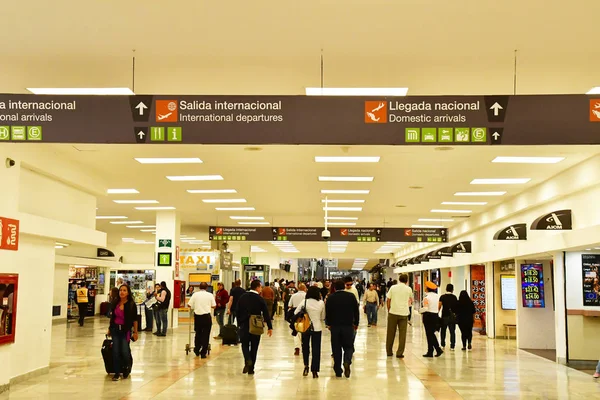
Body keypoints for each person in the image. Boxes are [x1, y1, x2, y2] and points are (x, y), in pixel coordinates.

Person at [236, 280, 273, 375]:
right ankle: (251, 368)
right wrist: (269, 327)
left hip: (244, 324)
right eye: (260, 287)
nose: (261, 289)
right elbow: (266, 313)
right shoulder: (260, 299)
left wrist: (239, 323)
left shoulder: (242, 297)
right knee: (254, 346)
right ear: (257, 287)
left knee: (244, 344)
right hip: (256, 325)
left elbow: (237, 310)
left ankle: (247, 360)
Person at [326, 280, 359, 378]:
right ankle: (347, 361)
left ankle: (337, 369)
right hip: (348, 326)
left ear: (335, 288)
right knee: (349, 346)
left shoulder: (330, 298)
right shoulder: (351, 297)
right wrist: (356, 323)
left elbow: (328, 312)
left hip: (335, 326)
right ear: (344, 286)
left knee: (336, 348)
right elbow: (356, 311)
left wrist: (328, 323)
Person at [107, 285, 138, 381]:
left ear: (128, 292)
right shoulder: (115, 303)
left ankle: (126, 368)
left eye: (124, 290)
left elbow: (135, 320)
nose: (122, 292)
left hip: (125, 331)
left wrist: (135, 332)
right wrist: (109, 329)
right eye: (120, 290)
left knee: (125, 351)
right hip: (115, 330)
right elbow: (113, 317)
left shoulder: (131, 304)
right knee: (115, 351)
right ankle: (116, 372)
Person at [295, 286, 325, 378]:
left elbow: (296, 312)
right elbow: (323, 317)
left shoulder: (304, 302)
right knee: (316, 349)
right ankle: (315, 370)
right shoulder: (321, 303)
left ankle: (306, 366)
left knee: (305, 348)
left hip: (305, 327)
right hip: (317, 328)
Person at [386, 273, 413, 358]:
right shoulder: (409, 289)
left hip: (393, 312)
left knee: (390, 333)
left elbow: (388, 299)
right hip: (404, 314)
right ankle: (399, 353)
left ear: (399, 279)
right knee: (402, 334)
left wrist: (389, 309)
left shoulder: (393, 288)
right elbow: (411, 300)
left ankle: (389, 351)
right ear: (407, 281)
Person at [188, 282, 216, 358]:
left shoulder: (195, 294)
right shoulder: (210, 295)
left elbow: (189, 304)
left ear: (199, 287)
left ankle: (197, 349)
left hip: (198, 317)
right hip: (206, 317)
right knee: (206, 334)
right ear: (206, 288)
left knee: (198, 333)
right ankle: (203, 352)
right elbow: (214, 306)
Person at [421, 282, 443, 358]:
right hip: (435, 316)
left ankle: (437, 349)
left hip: (428, 316)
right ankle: (431, 351)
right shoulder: (437, 296)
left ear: (427, 288)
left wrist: (420, 310)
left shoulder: (426, 298)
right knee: (431, 334)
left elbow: (425, 308)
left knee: (429, 334)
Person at [289, 283, 307, 356]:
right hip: (305, 316)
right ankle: (304, 347)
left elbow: (290, 305)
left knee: (296, 331)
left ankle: (297, 348)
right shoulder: (307, 296)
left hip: (296, 316)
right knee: (305, 331)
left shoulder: (294, 295)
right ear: (304, 288)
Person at [439, 284, 458, 351]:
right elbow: (456, 307)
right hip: (452, 317)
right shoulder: (454, 297)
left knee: (443, 331)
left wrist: (437, 313)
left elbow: (439, 306)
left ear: (446, 288)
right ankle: (452, 346)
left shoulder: (442, 297)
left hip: (444, 316)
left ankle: (442, 344)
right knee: (452, 332)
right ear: (452, 289)